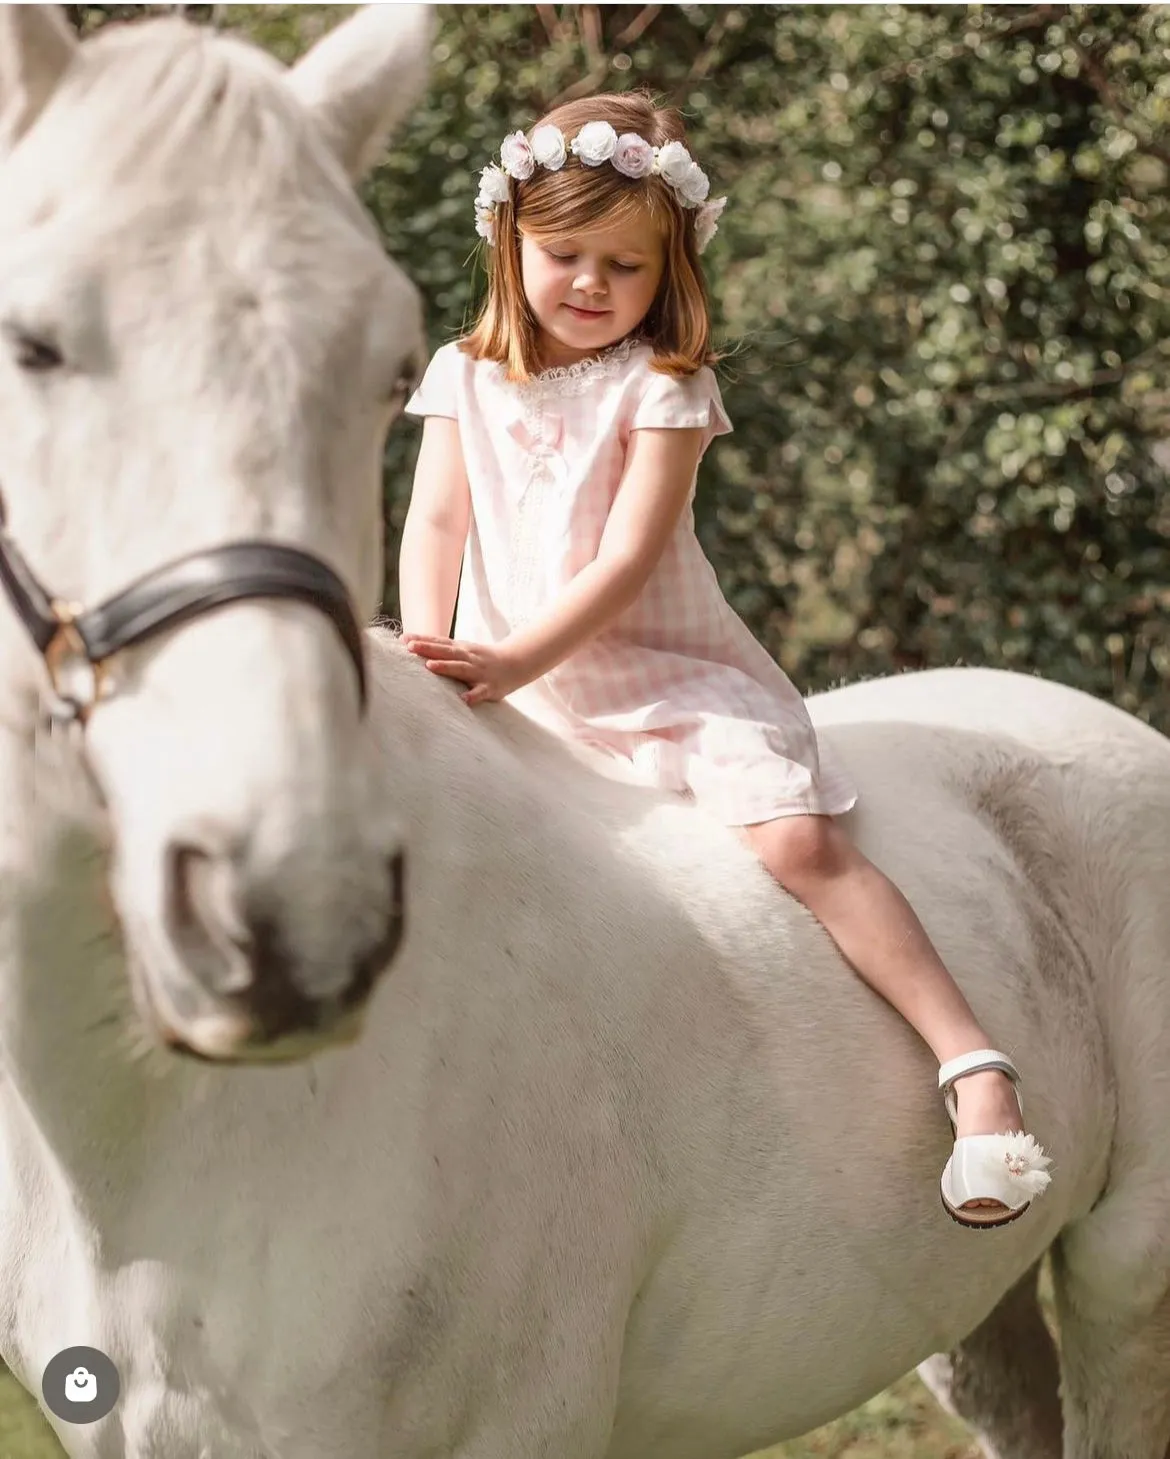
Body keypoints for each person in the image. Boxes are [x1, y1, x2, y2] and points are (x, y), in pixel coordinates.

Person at [398, 92, 1052, 1227]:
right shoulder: (464, 374)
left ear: (670, 272)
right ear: (510, 242)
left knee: (798, 840)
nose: (593, 285)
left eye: (626, 265)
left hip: (660, 679)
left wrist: (509, 658)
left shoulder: (664, 388)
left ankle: (973, 1066)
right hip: (513, 679)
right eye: (565, 254)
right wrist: (426, 650)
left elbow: (623, 560)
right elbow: (434, 526)